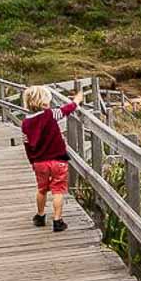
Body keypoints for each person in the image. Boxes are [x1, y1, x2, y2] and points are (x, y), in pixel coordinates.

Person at [21, 86, 83, 232]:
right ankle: (57, 220)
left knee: (41, 189)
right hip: (58, 160)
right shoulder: (50, 114)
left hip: (39, 162)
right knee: (58, 190)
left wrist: (32, 162)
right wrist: (77, 101)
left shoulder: (25, 124)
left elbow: (27, 145)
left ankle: (41, 216)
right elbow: (65, 110)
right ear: (43, 102)